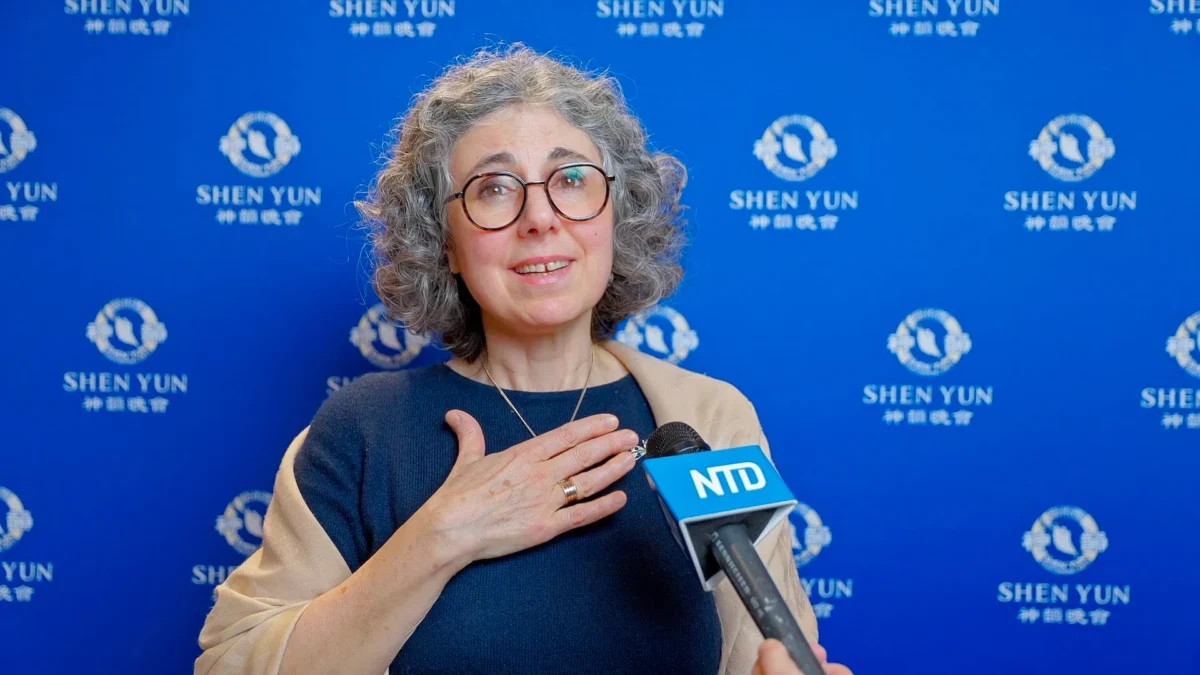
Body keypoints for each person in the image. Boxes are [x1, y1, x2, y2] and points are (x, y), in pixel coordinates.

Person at [195, 44, 852, 675]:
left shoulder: (706, 418)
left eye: (572, 179)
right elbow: (231, 666)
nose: (540, 217)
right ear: (445, 242)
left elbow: (763, 654)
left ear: (615, 216)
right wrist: (441, 537)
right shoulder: (365, 432)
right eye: (494, 188)